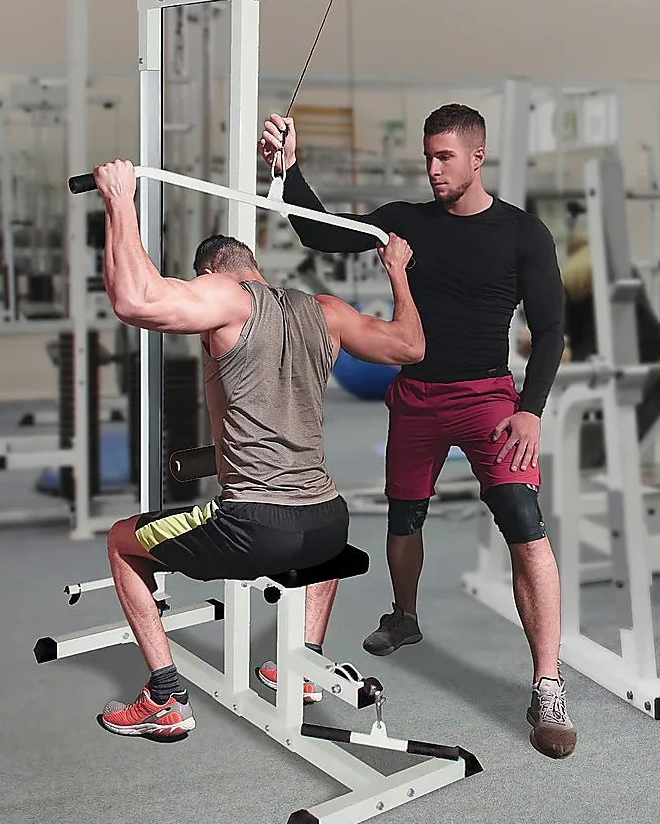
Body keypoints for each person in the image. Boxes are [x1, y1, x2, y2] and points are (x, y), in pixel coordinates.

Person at [259, 104, 577, 759]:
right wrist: (289, 169)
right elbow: (323, 236)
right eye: (428, 158)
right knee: (404, 518)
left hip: (490, 397)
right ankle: (405, 616)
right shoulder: (404, 221)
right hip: (416, 397)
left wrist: (532, 408)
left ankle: (548, 684)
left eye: (445, 158)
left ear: (476, 156)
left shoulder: (523, 233)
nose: (432, 169)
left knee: (525, 521)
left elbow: (549, 331)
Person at [91, 159, 424, 739]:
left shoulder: (227, 297)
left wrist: (119, 199)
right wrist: (397, 272)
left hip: (254, 524)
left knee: (123, 542)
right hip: (327, 519)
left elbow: (134, 301)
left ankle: (165, 696)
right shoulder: (323, 311)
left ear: (211, 273)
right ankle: (302, 663)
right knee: (319, 534)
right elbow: (410, 346)